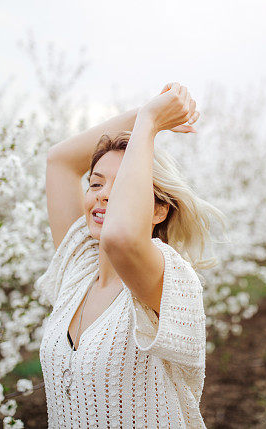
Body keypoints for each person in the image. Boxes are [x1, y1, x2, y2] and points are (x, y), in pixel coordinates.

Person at [35, 82, 227, 428]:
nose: (104, 195)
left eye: (121, 184)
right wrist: (147, 112)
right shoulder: (78, 267)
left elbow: (122, 238)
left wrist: (152, 123)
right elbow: (60, 161)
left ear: (159, 211)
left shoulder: (168, 278)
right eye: (95, 183)